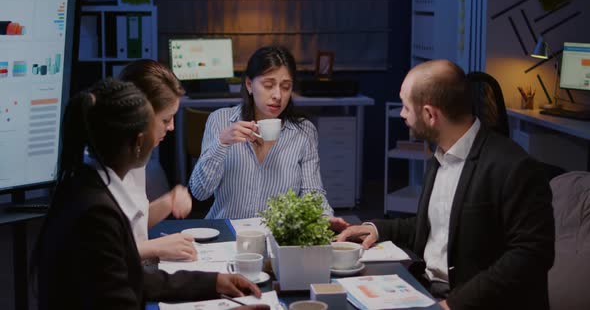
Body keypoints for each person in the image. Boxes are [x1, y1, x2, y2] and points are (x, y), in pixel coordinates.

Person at [336, 60, 555, 310]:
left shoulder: (514, 167)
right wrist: (376, 228)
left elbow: (531, 256)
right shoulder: (441, 155)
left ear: (430, 115)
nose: (402, 114)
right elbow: (438, 226)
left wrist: (451, 305)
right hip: (426, 290)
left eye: (406, 107)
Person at [33, 79, 266, 309]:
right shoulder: (96, 212)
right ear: (139, 140)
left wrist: (213, 283)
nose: (169, 128)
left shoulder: (86, 184)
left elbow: (130, 278)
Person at [188, 46, 347, 230]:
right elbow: (200, 192)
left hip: (277, 237)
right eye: (268, 85)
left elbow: (313, 192)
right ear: (249, 85)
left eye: (286, 87)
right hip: (226, 234)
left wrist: (325, 217)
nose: (277, 95)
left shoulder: (304, 131)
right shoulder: (220, 120)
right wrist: (222, 143)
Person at [116, 59, 196, 261]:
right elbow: (106, 254)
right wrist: (155, 247)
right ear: (140, 116)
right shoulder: (104, 169)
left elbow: (134, 226)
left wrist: (169, 201)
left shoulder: (136, 155)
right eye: (166, 120)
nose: (171, 128)